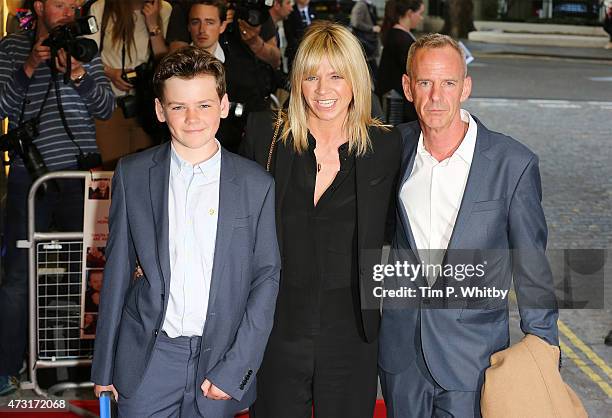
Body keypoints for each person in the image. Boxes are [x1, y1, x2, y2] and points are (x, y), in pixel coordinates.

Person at [91, 46, 280, 418]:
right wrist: (104, 366)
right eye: (178, 106)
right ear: (161, 111)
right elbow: (115, 274)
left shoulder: (256, 184)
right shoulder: (132, 174)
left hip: (219, 361)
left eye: (204, 105)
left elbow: (266, 278)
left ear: (224, 106)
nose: (192, 118)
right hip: (146, 358)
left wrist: (237, 366)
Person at [378, 34, 559, 417]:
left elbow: (532, 265)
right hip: (402, 357)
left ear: (466, 87)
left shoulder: (512, 163)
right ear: (408, 87)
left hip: (473, 359)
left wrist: (543, 349)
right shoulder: (393, 149)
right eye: (425, 83)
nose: (436, 97)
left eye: (448, 83)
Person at [242, 21, 402, 418]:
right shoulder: (266, 136)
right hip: (277, 330)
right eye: (311, 76)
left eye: (336, 76)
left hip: (352, 334)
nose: (322, 90)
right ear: (297, 81)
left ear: (356, 80)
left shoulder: (385, 146)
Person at [0, 0, 114, 396]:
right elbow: (3, 106)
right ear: (39, 5)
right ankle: (7, 367)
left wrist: (79, 72)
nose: (68, 10)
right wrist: (30, 67)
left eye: (74, 4)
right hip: (28, 175)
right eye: (59, 3)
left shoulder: (86, 46)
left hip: (80, 175)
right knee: (18, 276)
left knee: (79, 275)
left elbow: (106, 107)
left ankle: (69, 366)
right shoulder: (13, 47)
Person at [87, 0, 172, 169]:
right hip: (110, 107)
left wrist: (153, 24)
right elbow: (87, 55)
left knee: (146, 171)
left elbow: (165, 62)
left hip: (146, 108)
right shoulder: (101, 8)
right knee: (111, 174)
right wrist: (110, 72)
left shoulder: (163, 9)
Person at [376, 0, 424, 124]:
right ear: (409, 13)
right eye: (420, 13)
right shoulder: (401, 39)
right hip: (398, 105)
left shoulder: (397, 35)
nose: (421, 18)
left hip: (395, 101)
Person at [350, 0, 380, 83]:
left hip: (368, 41)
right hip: (365, 41)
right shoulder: (361, 5)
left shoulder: (367, 5)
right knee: (370, 66)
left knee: (370, 66)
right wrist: (371, 28)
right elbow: (355, 23)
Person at [283, 0, 317, 71]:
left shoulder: (314, 9)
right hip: (296, 53)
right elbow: (289, 36)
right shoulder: (289, 11)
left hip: (314, 52)